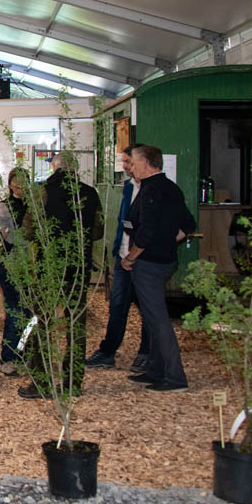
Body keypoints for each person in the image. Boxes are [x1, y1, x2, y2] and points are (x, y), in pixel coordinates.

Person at [19, 151, 101, 400]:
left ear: (54, 169)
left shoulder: (42, 192)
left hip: (50, 267)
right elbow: (98, 231)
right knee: (76, 324)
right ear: (75, 170)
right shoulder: (90, 193)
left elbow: (28, 230)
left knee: (44, 323)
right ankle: (73, 382)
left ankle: (41, 383)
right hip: (79, 267)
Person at [123, 144, 195, 392]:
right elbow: (188, 224)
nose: (131, 167)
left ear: (145, 163)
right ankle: (155, 370)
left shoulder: (152, 190)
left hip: (149, 264)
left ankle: (175, 377)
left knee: (159, 320)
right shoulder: (170, 188)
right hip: (164, 261)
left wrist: (131, 257)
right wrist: (166, 243)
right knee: (152, 318)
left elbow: (146, 231)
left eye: (133, 162)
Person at [87, 144, 150, 373]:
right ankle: (107, 352)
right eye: (123, 162)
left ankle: (146, 353)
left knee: (147, 308)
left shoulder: (152, 189)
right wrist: (119, 250)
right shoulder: (128, 187)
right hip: (123, 257)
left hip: (143, 260)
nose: (124, 166)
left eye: (128, 162)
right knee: (117, 306)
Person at [0, 168, 30, 376]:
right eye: (16, 181)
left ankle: (23, 354)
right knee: (15, 312)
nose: (20, 185)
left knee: (29, 313)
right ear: (10, 184)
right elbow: (8, 236)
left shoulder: (35, 206)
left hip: (31, 267)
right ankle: (7, 358)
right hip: (11, 264)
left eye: (24, 181)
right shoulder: (4, 206)